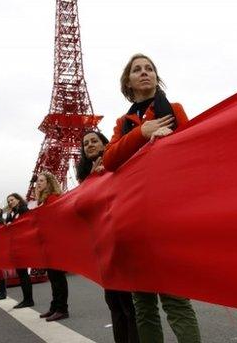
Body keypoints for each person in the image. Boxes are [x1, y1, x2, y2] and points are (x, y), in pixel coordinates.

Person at [103, 53, 201, 343]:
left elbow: (191, 151)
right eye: (137, 70)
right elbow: (109, 160)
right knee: (143, 303)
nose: (144, 72)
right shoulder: (123, 123)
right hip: (132, 217)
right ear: (128, 82)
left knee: (175, 299)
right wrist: (142, 134)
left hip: (165, 214)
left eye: (149, 68)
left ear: (156, 77)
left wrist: (168, 140)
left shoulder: (174, 109)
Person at [77, 130, 140, 343]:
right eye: (86, 144)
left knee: (128, 303)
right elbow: (81, 208)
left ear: (105, 144)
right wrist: (91, 180)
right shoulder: (84, 178)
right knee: (113, 302)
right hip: (101, 245)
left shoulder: (117, 164)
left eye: (94, 141)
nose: (90, 145)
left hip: (121, 240)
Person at [34, 171, 70, 322]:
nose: (38, 183)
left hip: (56, 244)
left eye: (42, 181)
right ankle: (55, 306)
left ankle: (62, 309)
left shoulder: (53, 198)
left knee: (58, 278)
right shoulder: (43, 200)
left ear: (49, 183)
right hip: (48, 244)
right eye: (38, 181)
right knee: (53, 277)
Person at [5, 193, 35, 309]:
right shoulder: (13, 213)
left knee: (23, 274)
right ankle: (26, 299)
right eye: (8, 201)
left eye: (12, 200)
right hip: (17, 246)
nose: (10, 202)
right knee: (21, 274)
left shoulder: (23, 210)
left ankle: (28, 299)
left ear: (18, 200)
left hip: (23, 246)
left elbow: (26, 225)